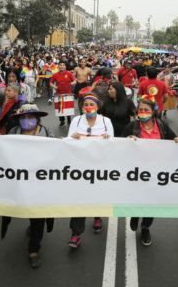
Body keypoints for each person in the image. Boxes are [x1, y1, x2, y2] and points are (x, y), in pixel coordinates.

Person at [122, 94, 178, 246]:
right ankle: (135, 214)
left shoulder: (161, 125)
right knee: (138, 198)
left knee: (152, 202)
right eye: (140, 109)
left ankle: (145, 228)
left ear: (153, 111)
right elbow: (119, 146)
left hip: (157, 173)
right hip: (137, 173)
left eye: (146, 109)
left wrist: (177, 140)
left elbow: (173, 138)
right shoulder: (132, 127)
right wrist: (128, 141)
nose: (142, 112)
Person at [1, 104, 54, 268]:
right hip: (20, 181)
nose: (27, 120)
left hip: (41, 183)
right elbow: (1, 151)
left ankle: (34, 249)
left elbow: (58, 154)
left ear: (37, 118)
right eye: (23, 117)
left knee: (39, 216)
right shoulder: (13, 133)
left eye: (30, 117)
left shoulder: (47, 134)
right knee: (23, 207)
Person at [67, 93, 114, 248]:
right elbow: (68, 142)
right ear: (81, 107)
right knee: (79, 199)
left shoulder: (106, 121)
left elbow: (113, 143)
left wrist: (107, 138)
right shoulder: (76, 120)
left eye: (91, 104)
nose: (88, 107)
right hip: (80, 167)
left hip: (100, 166)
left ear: (97, 107)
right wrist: (72, 137)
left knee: (97, 194)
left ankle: (97, 215)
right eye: (85, 104)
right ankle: (75, 234)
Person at [50, 61, 76, 127]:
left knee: (68, 109)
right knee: (60, 109)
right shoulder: (55, 74)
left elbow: (75, 81)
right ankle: (62, 121)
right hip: (59, 94)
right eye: (60, 65)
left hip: (68, 94)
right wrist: (55, 87)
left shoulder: (69, 73)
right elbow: (51, 83)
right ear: (58, 66)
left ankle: (69, 121)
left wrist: (72, 83)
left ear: (65, 67)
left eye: (63, 65)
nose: (62, 66)